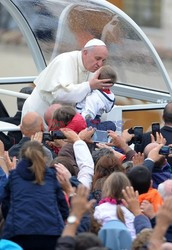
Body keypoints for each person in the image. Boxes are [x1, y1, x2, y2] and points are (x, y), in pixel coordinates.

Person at [21, 38, 113, 120]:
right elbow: (60, 94)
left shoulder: (91, 68)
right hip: (37, 114)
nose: (100, 64)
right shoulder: (64, 61)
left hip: (59, 119)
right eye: (97, 58)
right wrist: (89, 86)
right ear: (85, 53)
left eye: (103, 60)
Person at [1, 140, 69, 250]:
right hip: (50, 233)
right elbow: (63, 206)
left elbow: (5, 205)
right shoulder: (51, 176)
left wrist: (14, 218)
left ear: (22, 157)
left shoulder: (14, 176)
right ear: (44, 157)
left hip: (19, 232)